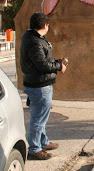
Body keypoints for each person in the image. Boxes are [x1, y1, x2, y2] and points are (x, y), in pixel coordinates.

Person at [21, 12, 67, 160]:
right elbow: (42, 65)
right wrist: (59, 67)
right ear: (45, 25)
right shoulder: (34, 41)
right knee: (38, 119)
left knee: (41, 118)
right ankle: (34, 149)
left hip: (39, 83)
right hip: (39, 86)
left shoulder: (34, 38)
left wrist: (56, 62)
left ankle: (43, 142)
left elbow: (43, 59)